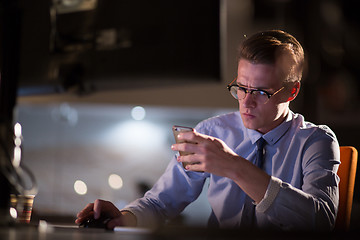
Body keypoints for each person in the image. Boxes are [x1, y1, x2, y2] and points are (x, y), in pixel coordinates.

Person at [75, 30, 340, 231]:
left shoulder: (316, 141)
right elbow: (160, 202)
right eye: (241, 88)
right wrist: (124, 217)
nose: (246, 102)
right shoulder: (213, 131)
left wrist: (234, 166)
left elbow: (322, 221)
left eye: (261, 92)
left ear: (292, 90)